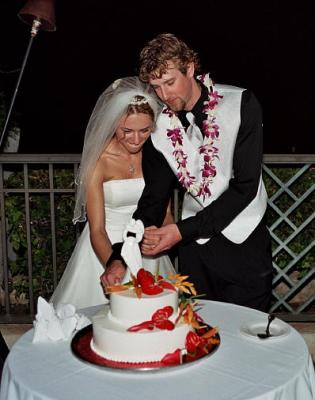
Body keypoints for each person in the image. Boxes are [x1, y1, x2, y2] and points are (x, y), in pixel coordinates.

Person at [103, 33, 273, 312]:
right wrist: (121, 255)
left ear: (191, 69)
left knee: (249, 339)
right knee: (199, 338)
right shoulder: (159, 128)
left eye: (170, 82)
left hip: (245, 249)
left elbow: (245, 187)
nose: (164, 95)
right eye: (156, 87)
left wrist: (180, 231)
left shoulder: (242, 104)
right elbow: (153, 200)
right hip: (195, 254)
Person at [50, 76, 175, 310]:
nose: (136, 139)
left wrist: (161, 238)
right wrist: (114, 264)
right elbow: (96, 228)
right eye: (127, 131)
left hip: (147, 249)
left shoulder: (157, 156)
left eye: (145, 130)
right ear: (113, 123)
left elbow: (165, 213)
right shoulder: (99, 160)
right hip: (104, 249)